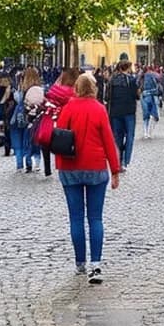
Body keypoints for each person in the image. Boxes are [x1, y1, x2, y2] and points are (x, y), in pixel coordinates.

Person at [55, 73, 122, 284]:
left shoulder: (68, 108)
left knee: (76, 218)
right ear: (93, 88)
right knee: (95, 218)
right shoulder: (99, 109)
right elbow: (109, 141)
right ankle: (96, 265)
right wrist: (115, 170)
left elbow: (59, 136)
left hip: (70, 167)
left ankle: (79, 264)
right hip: (95, 167)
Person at [106, 61, 138, 168]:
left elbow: (107, 97)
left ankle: (117, 161)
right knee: (130, 136)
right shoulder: (131, 80)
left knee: (117, 137)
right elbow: (136, 95)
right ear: (128, 68)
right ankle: (125, 161)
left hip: (115, 112)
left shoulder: (112, 80)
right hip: (129, 112)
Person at [139, 66, 161, 139]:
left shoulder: (141, 76)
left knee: (146, 116)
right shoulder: (153, 74)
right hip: (153, 96)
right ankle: (150, 132)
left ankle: (146, 132)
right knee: (155, 116)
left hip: (144, 96)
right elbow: (160, 78)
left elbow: (137, 84)